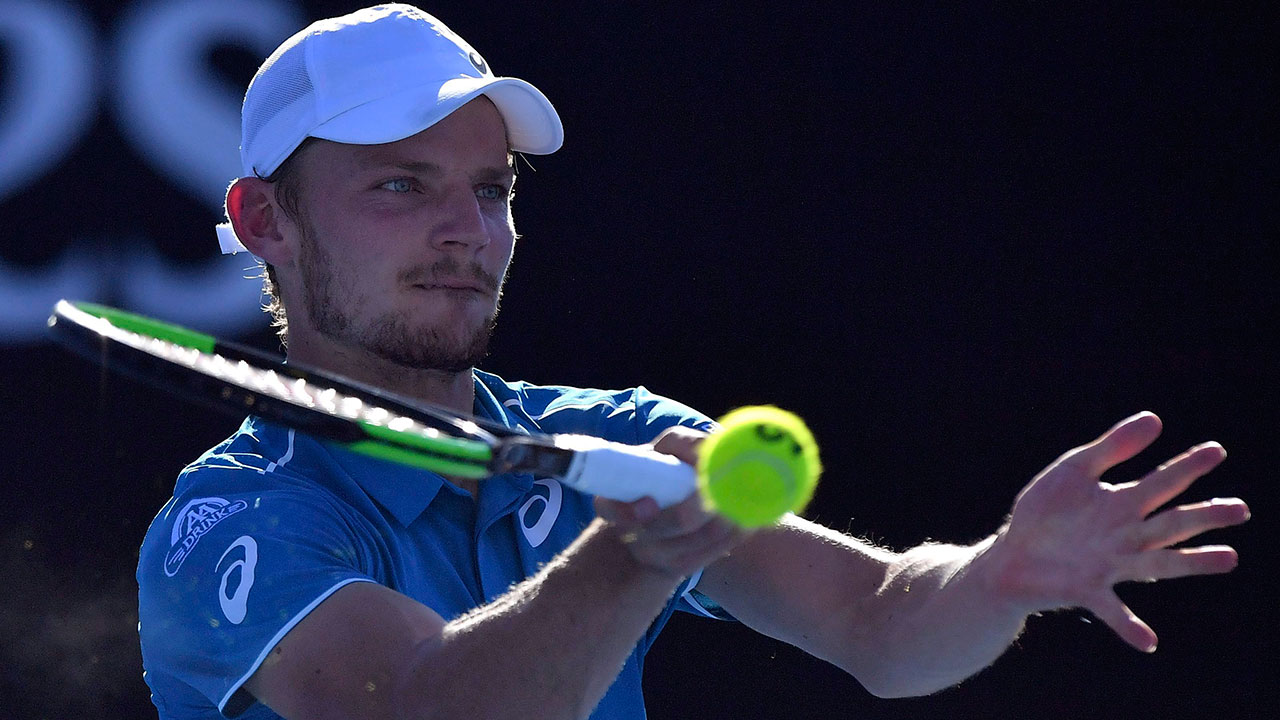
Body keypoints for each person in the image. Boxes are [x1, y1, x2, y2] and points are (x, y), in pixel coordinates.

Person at [136, 5, 1250, 719]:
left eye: (490, 190)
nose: (469, 235)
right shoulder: (232, 524)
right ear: (265, 220)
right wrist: (630, 558)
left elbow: (881, 625)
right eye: (399, 185)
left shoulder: (614, 433)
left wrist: (998, 573)